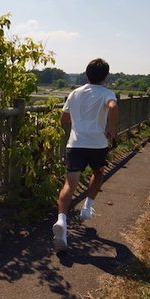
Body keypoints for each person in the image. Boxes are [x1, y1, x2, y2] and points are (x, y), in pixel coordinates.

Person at [53, 58, 118, 250]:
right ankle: (87, 208)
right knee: (98, 173)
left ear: (87, 74)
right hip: (97, 144)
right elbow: (113, 107)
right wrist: (111, 129)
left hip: (75, 144)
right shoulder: (107, 93)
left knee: (69, 184)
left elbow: (64, 118)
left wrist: (80, 117)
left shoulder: (75, 93)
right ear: (105, 76)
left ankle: (62, 222)